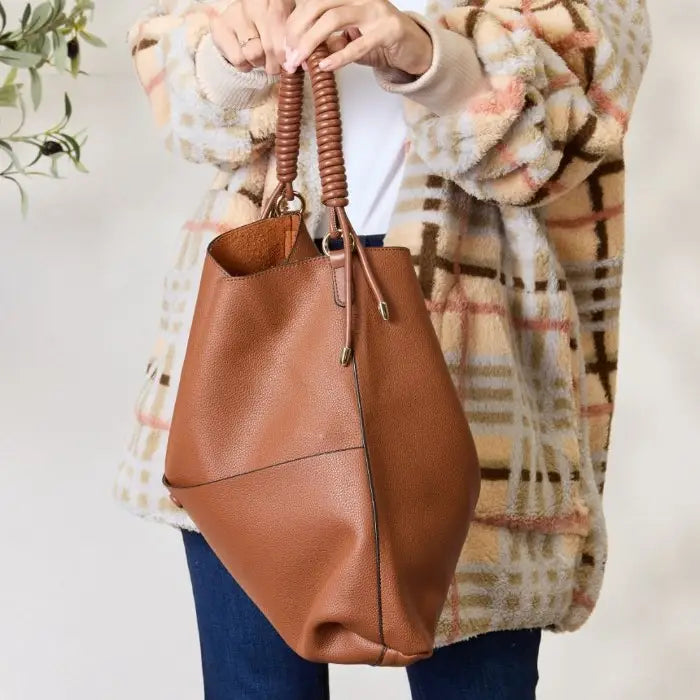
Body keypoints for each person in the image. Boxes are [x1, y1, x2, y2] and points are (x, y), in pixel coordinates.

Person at [116, 0, 651, 697]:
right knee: (253, 683)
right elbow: (178, 89)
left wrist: (427, 53)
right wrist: (228, 49)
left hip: (473, 336)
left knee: (477, 683)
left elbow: (574, 119)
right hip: (265, 309)